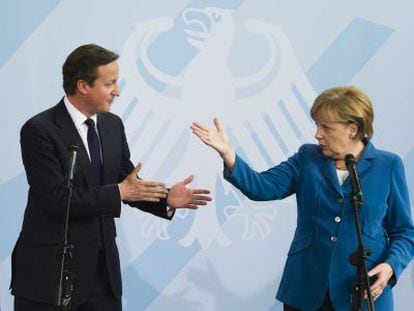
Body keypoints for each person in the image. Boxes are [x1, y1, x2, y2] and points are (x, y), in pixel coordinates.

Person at [10, 44, 212, 311]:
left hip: (102, 277)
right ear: (83, 86)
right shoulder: (40, 130)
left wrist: (164, 199)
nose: (117, 90)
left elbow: (126, 182)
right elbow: (56, 199)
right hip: (50, 275)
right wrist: (119, 192)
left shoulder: (111, 125)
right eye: (110, 83)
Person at [191, 86, 414, 310]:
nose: (317, 134)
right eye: (316, 125)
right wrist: (228, 154)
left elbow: (404, 231)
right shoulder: (307, 158)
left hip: (363, 293)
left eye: (326, 127)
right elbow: (262, 187)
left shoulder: (388, 166)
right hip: (306, 289)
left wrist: (390, 266)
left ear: (352, 129)